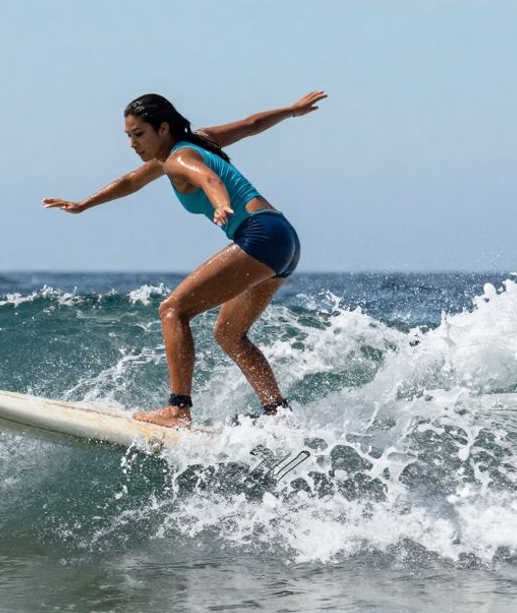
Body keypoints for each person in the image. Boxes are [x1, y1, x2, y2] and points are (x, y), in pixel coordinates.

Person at [42, 90, 328, 428]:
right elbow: (251, 125)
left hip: (259, 235)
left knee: (172, 310)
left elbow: (209, 179)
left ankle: (178, 409)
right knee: (229, 333)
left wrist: (221, 203)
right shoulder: (198, 141)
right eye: (129, 136)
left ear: (162, 129)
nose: (133, 143)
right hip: (284, 237)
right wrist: (292, 111)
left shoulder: (179, 158)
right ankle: (278, 413)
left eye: (139, 134)